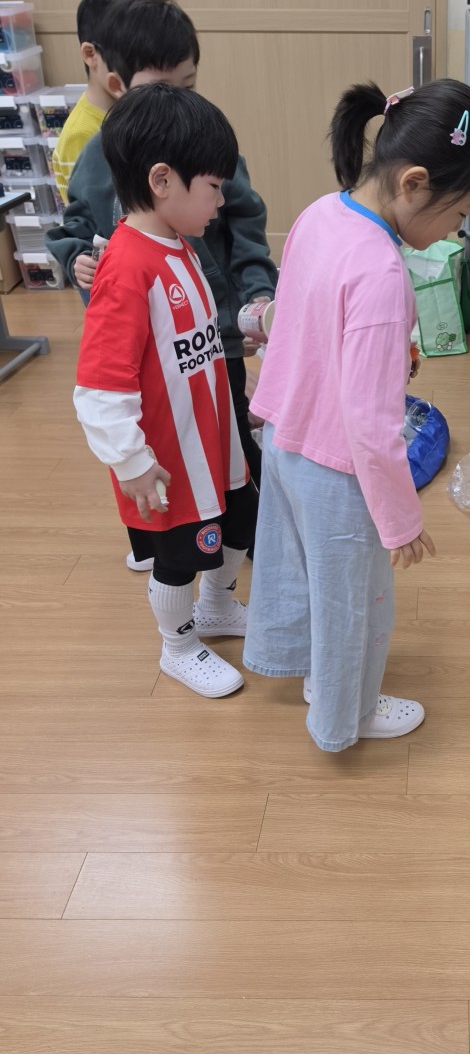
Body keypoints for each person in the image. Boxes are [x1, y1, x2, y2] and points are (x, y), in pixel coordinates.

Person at [243, 78, 470, 751]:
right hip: (339, 470)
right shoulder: (384, 273)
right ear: (414, 184)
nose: (458, 229)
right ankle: (345, 718)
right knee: (352, 603)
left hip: (285, 438)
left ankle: (317, 681)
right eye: (460, 212)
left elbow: (296, 323)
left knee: (308, 578)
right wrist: (400, 521)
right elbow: (370, 423)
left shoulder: (319, 213)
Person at [47, 0, 275, 529]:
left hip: (216, 332)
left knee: (231, 435)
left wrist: (256, 293)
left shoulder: (204, 148)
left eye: (188, 87)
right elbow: (75, 228)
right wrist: (79, 258)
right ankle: (171, 538)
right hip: (152, 354)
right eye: (161, 87)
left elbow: (246, 223)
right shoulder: (99, 157)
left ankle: (242, 527)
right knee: (164, 441)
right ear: (117, 85)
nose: (177, 103)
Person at [73, 84, 259, 699]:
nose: (221, 200)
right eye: (213, 186)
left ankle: (217, 606)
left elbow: (194, 344)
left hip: (216, 442)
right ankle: (177, 645)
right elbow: (99, 384)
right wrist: (130, 461)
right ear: (162, 181)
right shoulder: (127, 267)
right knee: (180, 555)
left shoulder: (181, 245)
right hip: (170, 460)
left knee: (240, 523)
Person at [51, 0, 131, 204]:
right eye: (128, 56)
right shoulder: (82, 134)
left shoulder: (123, 115)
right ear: (90, 54)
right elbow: (96, 213)